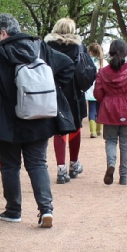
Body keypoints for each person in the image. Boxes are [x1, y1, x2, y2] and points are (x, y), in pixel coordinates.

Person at [0, 12, 73, 228]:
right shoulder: (40, 48)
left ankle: (13, 211)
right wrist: (51, 90)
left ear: (2, 33)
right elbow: (67, 65)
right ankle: (46, 209)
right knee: (38, 163)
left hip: (7, 120)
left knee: (10, 166)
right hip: (39, 117)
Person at [45, 18, 97, 184]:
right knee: (75, 127)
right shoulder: (78, 47)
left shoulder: (47, 47)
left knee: (58, 130)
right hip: (74, 92)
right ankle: (74, 164)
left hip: (54, 92)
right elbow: (89, 69)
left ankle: (61, 169)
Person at [93, 38, 127, 185]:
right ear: (126, 52)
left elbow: (97, 93)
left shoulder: (103, 72)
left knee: (110, 140)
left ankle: (111, 164)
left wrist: (106, 101)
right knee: (126, 144)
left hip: (109, 109)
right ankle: (124, 176)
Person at [85, 42, 104, 138]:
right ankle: (98, 129)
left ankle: (93, 132)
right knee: (100, 110)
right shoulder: (104, 62)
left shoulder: (88, 62)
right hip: (101, 89)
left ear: (91, 52)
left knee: (92, 110)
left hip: (90, 89)